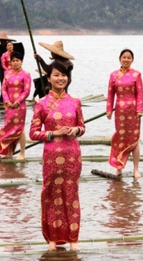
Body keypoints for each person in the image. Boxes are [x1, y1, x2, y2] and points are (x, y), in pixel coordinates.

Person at [29, 60, 85, 252]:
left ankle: (73, 239)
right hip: (51, 156)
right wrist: (54, 133)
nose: (61, 79)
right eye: (56, 75)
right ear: (48, 78)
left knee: (71, 195)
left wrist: (75, 130)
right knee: (51, 194)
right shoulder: (41, 104)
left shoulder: (75, 101)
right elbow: (33, 133)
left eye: (63, 75)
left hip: (72, 156)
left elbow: (82, 127)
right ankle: (52, 240)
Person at [106, 49, 143, 179]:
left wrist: (139, 110)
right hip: (120, 110)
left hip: (133, 111)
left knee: (134, 139)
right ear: (119, 58)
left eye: (129, 58)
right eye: (124, 57)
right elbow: (110, 94)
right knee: (120, 138)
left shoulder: (136, 75)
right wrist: (109, 109)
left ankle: (136, 169)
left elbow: (139, 94)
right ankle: (119, 167)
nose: (126, 60)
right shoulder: (113, 75)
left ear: (132, 60)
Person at [0, 52, 31, 160]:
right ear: (11, 62)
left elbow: (26, 91)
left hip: (20, 106)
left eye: (18, 60)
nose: (15, 63)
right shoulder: (7, 74)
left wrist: (17, 101)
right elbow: (3, 89)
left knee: (19, 129)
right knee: (8, 128)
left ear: (21, 61)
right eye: (13, 61)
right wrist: (7, 101)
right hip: (8, 106)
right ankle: (9, 153)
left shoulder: (26, 74)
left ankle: (22, 153)